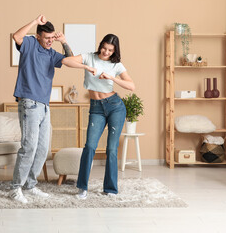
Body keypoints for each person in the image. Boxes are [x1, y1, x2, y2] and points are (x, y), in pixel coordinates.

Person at [61, 34, 135, 199]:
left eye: (110, 50)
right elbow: (66, 61)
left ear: (114, 51)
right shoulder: (89, 57)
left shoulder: (116, 65)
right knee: (90, 146)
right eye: (104, 48)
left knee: (111, 149)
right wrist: (87, 68)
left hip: (115, 106)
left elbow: (131, 86)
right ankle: (82, 188)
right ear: (100, 45)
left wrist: (112, 77)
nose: (106, 52)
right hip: (96, 108)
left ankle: (110, 189)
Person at [10, 15, 73, 204]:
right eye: (47, 38)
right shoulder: (30, 44)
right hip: (29, 103)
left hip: (45, 106)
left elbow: (70, 60)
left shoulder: (52, 53)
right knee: (28, 147)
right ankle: (15, 188)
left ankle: (30, 185)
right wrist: (35, 22)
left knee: (43, 148)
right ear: (38, 36)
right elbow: (16, 36)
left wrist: (64, 42)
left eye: (52, 38)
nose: (50, 41)